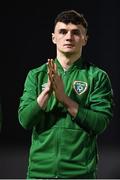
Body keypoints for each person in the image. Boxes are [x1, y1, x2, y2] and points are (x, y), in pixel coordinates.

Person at [18, 10, 114, 179]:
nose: (69, 37)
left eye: (76, 32)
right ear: (54, 37)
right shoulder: (36, 75)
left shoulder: (97, 77)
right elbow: (25, 120)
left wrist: (64, 99)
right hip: (39, 174)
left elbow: (100, 123)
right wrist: (48, 91)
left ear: (85, 39)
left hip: (79, 174)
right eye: (63, 32)